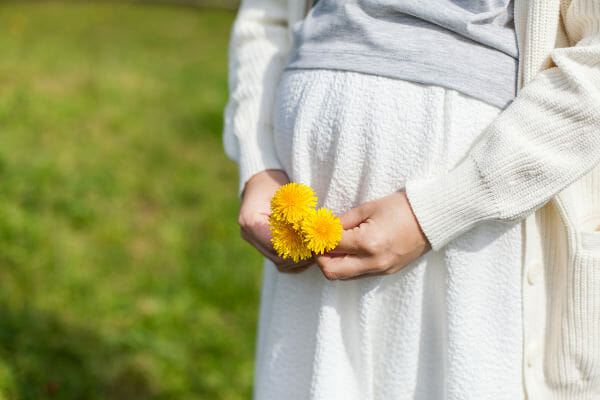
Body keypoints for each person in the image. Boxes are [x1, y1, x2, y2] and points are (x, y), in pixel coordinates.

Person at [223, 0, 600, 399]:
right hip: (306, 230)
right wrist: (258, 161)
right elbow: (265, 16)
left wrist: (442, 207)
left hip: (480, 221)